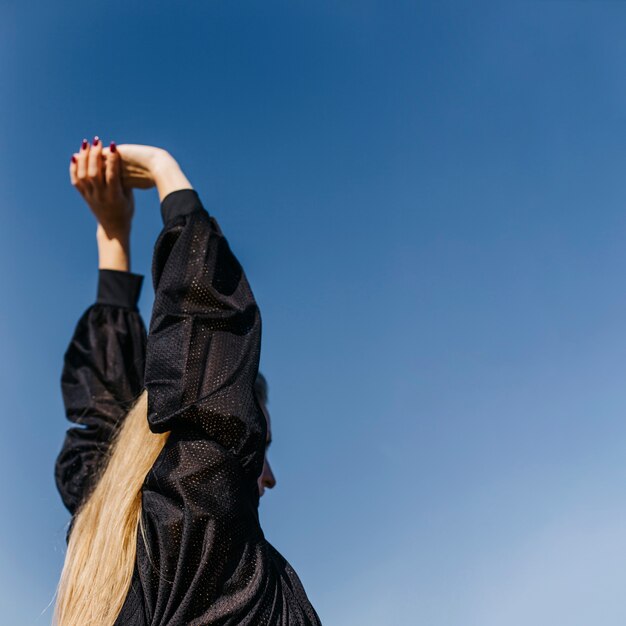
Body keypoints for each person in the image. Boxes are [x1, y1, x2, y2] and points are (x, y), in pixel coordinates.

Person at [53, 138, 321, 625]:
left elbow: (103, 425)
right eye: (257, 441)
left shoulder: (112, 556)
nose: (269, 475)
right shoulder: (205, 540)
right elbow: (207, 339)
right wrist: (163, 166)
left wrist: (113, 235)